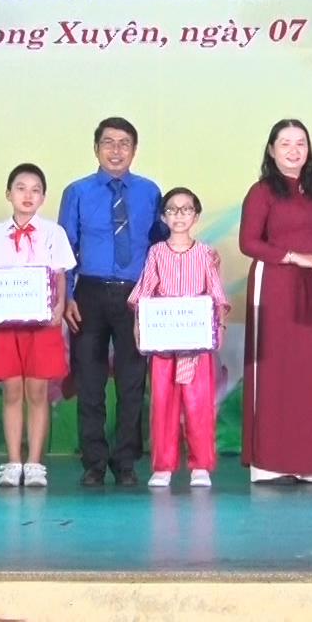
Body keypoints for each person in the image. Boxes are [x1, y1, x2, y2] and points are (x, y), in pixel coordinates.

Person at [58, 117, 164, 487]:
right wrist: (67, 295)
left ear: (134, 150)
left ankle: (126, 462)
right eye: (108, 142)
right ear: (96, 148)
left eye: (124, 143)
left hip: (136, 295)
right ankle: (93, 463)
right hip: (88, 293)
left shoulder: (150, 192)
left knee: (132, 383)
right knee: (89, 381)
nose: (116, 150)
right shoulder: (77, 192)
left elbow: (161, 246)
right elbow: (65, 249)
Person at [239, 119, 312, 484]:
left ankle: (307, 461)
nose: (294, 150)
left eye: (301, 143)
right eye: (285, 143)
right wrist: (295, 257)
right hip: (274, 284)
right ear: (271, 150)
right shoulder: (262, 191)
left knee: (308, 372)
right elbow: (249, 242)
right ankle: (269, 462)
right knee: (274, 370)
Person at [0, 163, 75, 490]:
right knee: (12, 390)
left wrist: (58, 307)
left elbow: (60, 275)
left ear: (43, 197)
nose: (28, 195)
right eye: (20, 188)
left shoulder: (53, 233)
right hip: (4, 326)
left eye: (35, 190)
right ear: (8, 194)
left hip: (42, 325)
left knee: (37, 391)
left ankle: (35, 463)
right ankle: (13, 461)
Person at [130, 187, 231, 489]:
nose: (179, 215)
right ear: (163, 216)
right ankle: (163, 466)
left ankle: (201, 465)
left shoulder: (205, 253)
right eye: (172, 209)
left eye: (186, 209)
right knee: (163, 404)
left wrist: (220, 325)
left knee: (199, 404)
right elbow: (144, 292)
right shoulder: (157, 252)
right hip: (164, 344)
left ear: (196, 216)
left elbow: (216, 294)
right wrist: (139, 326)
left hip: (195, 344)